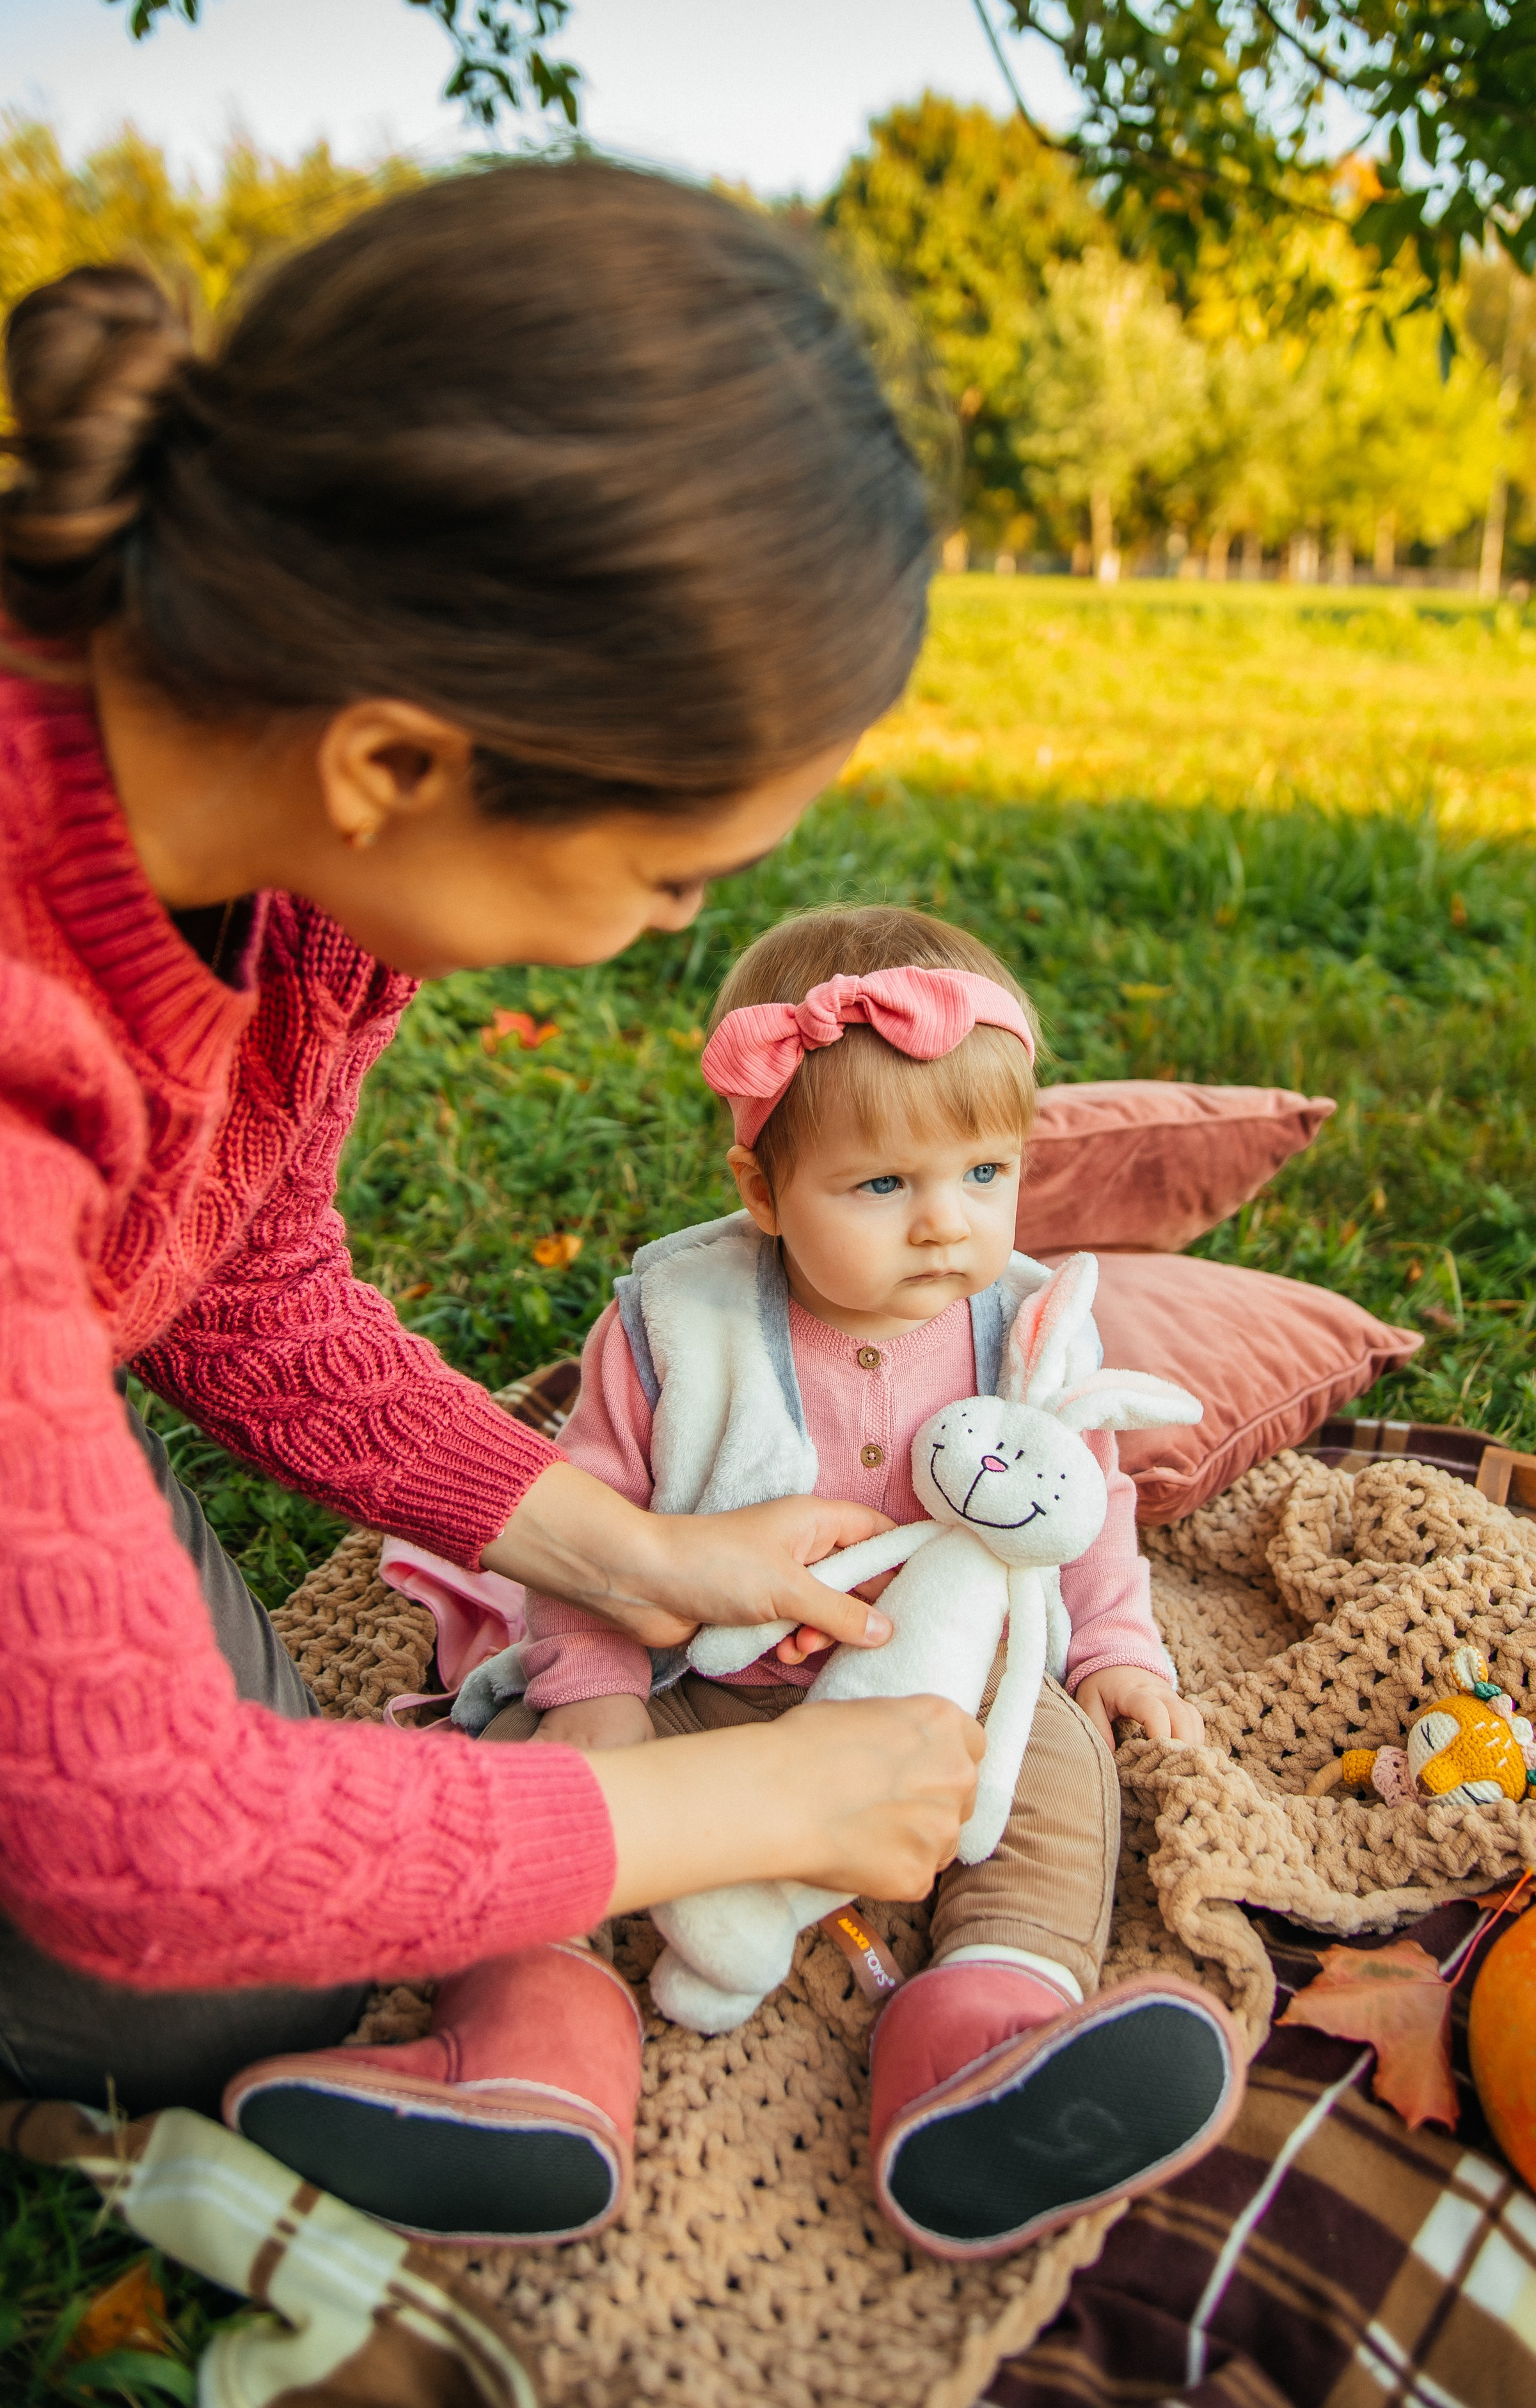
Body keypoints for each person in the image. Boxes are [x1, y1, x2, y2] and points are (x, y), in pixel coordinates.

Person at [0, 163, 987, 2247]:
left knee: (295, 1885)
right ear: (400, 761)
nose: (654, 945)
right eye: (666, 882)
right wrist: (743, 1798)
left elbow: (244, 1280)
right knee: (206, 1947)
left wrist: (623, 1548)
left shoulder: (304, 864)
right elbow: (154, 1842)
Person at [377, 906, 1245, 2262]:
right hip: (710, 1686)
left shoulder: (1029, 1322)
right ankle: (526, 2051)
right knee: (549, 1783)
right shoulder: (676, 1324)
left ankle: (986, 2036)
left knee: (1060, 1785)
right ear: (764, 1193)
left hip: (945, 1703)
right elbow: (583, 1523)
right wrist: (597, 1691)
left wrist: (1116, 1651)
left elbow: (1084, 1510)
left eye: (982, 1171)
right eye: (882, 1188)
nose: (945, 1226)